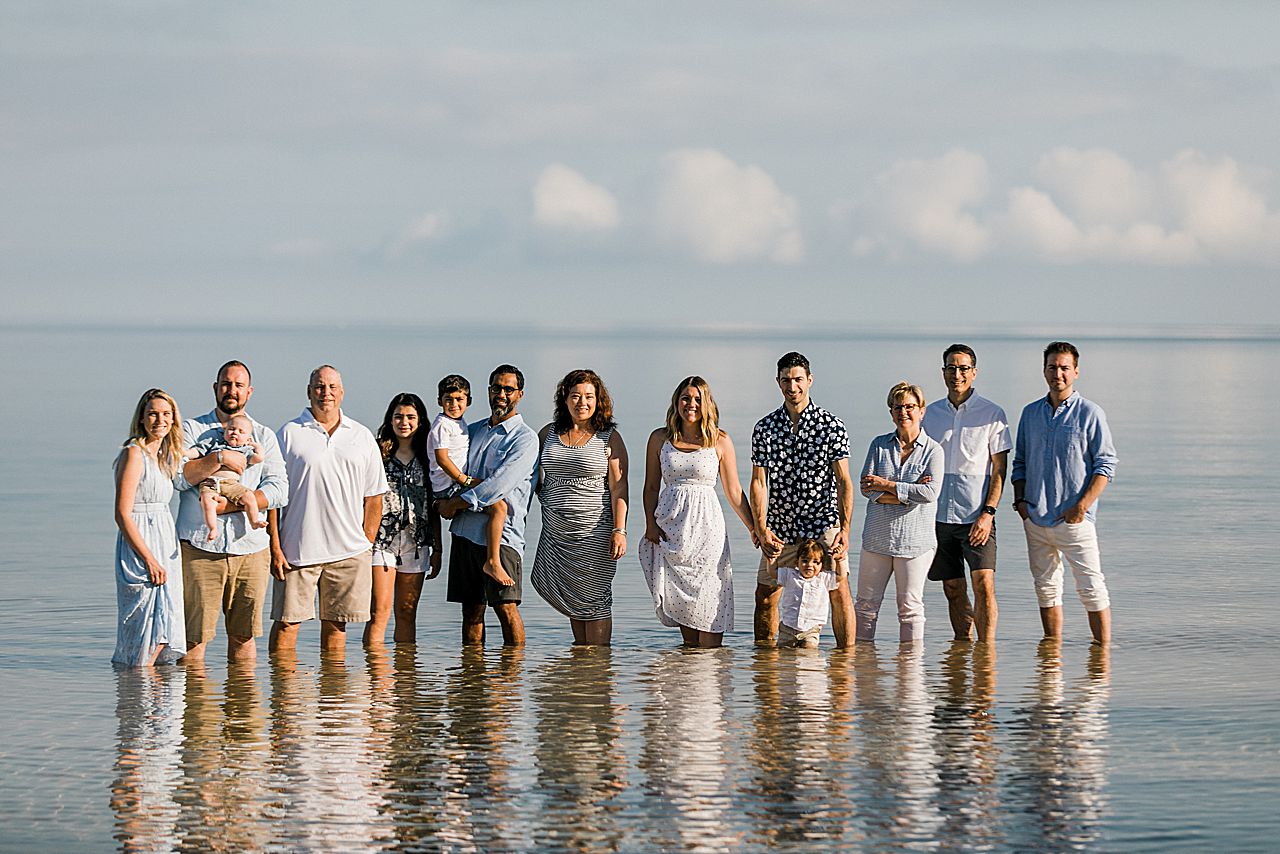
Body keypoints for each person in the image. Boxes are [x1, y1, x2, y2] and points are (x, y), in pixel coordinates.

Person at [269, 365, 388, 658]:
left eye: (332, 387)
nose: (326, 393)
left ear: (342, 392)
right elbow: (272, 496)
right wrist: (275, 545)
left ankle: (334, 699)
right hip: (297, 550)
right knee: (286, 625)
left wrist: (365, 542)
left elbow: (374, 497)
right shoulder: (288, 434)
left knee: (337, 627)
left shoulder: (360, 436)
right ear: (309, 392)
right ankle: (285, 698)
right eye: (320, 387)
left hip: (349, 552)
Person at [176, 360, 288, 663]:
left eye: (239, 385)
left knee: (244, 638)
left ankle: (243, 708)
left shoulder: (262, 436)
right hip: (200, 550)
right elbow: (176, 477)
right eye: (226, 384)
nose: (231, 390)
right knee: (193, 640)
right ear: (215, 387)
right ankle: (196, 709)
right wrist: (219, 457)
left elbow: (279, 490)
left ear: (249, 392)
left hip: (250, 550)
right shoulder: (192, 429)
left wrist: (231, 506)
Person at [1012, 342, 1118, 645]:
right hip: (1035, 518)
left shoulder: (1091, 413)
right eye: (1052, 367)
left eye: (1063, 368)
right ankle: (1051, 661)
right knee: (1045, 587)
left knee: (1091, 587)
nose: (1057, 373)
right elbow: (1020, 462)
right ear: (1044, 370)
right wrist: (1021, 503)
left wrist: (1081, 507)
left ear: (1075, 371)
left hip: (1075, 521)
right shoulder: (1030, 413)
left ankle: (1102, 659)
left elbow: (1106, 465)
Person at [639, 376, 754, 648]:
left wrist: (754, 528)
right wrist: (650, 525)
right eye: (686, 398)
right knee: (685, 610)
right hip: (671, 528)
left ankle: (712, 674)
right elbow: (651, 486)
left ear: (707, 403)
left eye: (698, 399)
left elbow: (734, 491)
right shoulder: (659, 438)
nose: (691, 404)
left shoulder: (719, 440)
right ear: (676, 401)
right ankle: (688, 680)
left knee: (711, 598)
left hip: (707, 530)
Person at [750, 352, 855, 647]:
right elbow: (759, 482)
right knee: (766, 594)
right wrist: (760, 527)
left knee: (839, 591)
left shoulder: (831, 426)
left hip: (823, 524)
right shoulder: (765, 428)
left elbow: (844, 481)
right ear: (778, 382)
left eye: (798, 379)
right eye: (786, 380)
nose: (792, 386)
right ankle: (766, 669)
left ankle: (844, 666)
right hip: (780, 528)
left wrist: (845, 531)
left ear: (809, 380)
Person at [435, 365, 539, 647]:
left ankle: (512, 680)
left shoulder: (525, 439)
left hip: (502, 536)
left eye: (508, 389)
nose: (501, 394)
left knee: (506, 608)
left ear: (520, 394)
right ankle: (471, 682)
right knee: (470, 612)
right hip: (466, 531)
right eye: (496, 388)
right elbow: (448, 464)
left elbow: (498, 486)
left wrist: (456, 502)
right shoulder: (472, 430)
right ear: (489, 391)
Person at [530, 369, 629, 646]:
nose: (581, 402)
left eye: (588, 396)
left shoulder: (608, 437)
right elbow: (530, 477)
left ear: (598, 400)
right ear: (565, 398)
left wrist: (619, 530)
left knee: (595, 598)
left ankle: (598, 668)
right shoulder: (547, 434)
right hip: (557, 532)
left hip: (595, 532)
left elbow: (619, 487)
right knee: (575, 596)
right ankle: (581, 670)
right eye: (575, 396)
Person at [921, 344, 1012, 643]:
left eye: (963, 368)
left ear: (974, 372)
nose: (956, 374)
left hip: (976, 517)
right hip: (937, 518)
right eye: (951, 368)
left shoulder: (993, 413)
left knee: (984, 583)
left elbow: (999, 470)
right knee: (952, 588)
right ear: (943, 372)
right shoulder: (929, 414)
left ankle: (986, 653)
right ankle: (962, 650)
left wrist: (988, 514)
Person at [855, 381, 944, 643]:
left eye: (909, 406)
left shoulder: (933, 451)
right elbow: (867, 488)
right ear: (891, 412)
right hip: (877, 539)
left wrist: (887, 486)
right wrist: (908, 494)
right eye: (897, 407)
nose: (903, 412)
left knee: (910, 608)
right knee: (865, 606)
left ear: (922, 410)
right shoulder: (879, 445)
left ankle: (911, 672)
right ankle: (864, 665)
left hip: (915, 543)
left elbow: (930, 494)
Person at [113, 389, 187, 666]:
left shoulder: (166, 456)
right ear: (142, 418)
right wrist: (149, 559)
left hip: (165, 542)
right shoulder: (134, 454)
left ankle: (152, 700)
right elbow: (122, 514)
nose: (160, 420)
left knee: (165, 627)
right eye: (153, 414)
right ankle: (136, 695)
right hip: (141, 543)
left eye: (166, 414)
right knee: (145, 625)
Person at [363, 393, 442, 647]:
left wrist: (438, 548)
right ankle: (377, 681)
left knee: (407, 613)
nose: (404, 422)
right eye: (398, 416)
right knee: (379, 612)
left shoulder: (429, 456)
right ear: (390, 419)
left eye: (410, 417)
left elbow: (433, 506)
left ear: (420, 421)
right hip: (381, 541)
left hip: (416, 544)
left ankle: (406, 681)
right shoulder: (377, 453)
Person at [428, 374, 514, 587]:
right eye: (448, 400)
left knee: (494, 502)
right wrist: (464, 480)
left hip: (454, 484)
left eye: (459, 400)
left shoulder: (461, 424)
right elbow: (442, 458)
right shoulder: (442, 425)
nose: (454, 404)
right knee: (498, 507)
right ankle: (493, 561)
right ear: (440, 401)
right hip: (447, 487)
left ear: (469, 401)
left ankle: (490, 557)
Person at [186, 413, 266, 540]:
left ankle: (254, 520)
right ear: (224, 432)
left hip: (231, 483)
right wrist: (183, 453)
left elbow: (259, 458)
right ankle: (212, 528)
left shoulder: (245, 451)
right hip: (210, 482)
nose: (235, 433)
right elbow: (197, 452)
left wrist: (255, 446)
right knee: (207, 502)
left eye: (241, 431)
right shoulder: (215, 445)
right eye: (231, 429)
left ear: (248, 439)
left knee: (249, 496)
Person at [777, 539, 840, 649]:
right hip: (788, 627)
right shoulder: (790, 575)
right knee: (784, 655)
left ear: (822, 565)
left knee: (809, 653)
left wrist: (839, 560)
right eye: (805, 561)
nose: (809, 565)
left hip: (811, 629)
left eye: (815, 562)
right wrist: (772, 559)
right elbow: (772, 572)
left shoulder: (824, 579)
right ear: (797, 562)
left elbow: (841, 576)